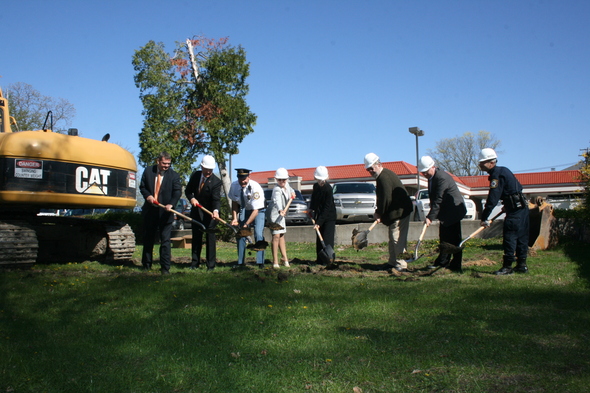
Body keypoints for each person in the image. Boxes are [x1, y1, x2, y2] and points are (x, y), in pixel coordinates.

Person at [479, 148, 529, 275]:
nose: (479, 164)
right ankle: (522, 265)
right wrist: (507, 205)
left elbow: (493, 198)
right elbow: (516, 189)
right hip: (521, 209)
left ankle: (507, 267)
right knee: (521, 237)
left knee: (510, 237)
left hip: (515, 212)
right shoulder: (504, 170)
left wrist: (484, 217)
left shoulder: (497, 175)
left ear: (491, 162)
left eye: (482, 162)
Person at [364, 153, 413, 272]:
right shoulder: (382, 176)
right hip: (395, 212)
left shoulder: (383, 177)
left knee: (397, 238)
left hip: (401, 212)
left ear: (378, 164)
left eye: (372, 168)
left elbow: (385, 198)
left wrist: (379, 213)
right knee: (392, 238)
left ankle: (401, 265)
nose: (370, 171)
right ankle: (392, 262)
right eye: (368, 169)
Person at [418, 156, 467, 272]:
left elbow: (438, 199)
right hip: (445, 212)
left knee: (454, 240)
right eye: (423, 172)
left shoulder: (441, 178)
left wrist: (430, 217)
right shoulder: (432, 177)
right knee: (444, 238)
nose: (425, 174)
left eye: (426, 171)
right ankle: (443, 262)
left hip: (454, 211)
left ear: (433, 167)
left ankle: (456, 266)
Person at [139, 151, 182, 275]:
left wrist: (171, 204)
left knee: (165, 240)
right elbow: (142, 187)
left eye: (168, 164)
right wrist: (148, 196)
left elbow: (177, 192)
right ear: (158, 161)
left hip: (165, 212)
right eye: (164, 163)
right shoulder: (148, 171)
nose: (166, 166)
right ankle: (146, 265)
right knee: (148, 239)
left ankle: (165, 268)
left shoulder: (174, 175)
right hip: (150, 210)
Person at [185, 155, 222, 271]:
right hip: (196, 213)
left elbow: (216, 199)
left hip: (210, 214)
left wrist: (216, 211)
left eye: (210, 170)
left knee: (210, 239)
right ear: (201, 167)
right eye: (206, 170)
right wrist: (192, 199)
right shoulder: (195, 175)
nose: (208, 172)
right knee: (196, 238)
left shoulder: (216, 182)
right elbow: (188, 191)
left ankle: (210, 265)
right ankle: (194, 263)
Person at [228, 168, 266, 268]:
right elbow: (234, 203)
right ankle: (240, 262)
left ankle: (260, 262)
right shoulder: (234, 186)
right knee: (241, 234)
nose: (243, 181)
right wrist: (235, 218)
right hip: (245, 209)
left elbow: (256, 211)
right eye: (240, 179)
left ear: (249, 177)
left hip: (258, 210)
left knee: (258, 233)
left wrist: (245, 224)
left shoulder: (255, 187)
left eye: (244, 178)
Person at [266, 168, 295, 268]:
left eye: (284, 179)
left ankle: (284, 258)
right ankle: (275, 262)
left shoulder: (287, 185)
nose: (282, 182)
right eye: (279, 180)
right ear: (276, 179)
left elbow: (291, 189)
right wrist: (280, 210)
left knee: (281, 235)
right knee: (276, 236)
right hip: (274, 214)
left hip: (282, 213)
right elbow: (277, 200)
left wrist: (293, 192)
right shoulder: (276, 189)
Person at [309, 166, 337, 264]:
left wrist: (319, 222)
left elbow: (327, 207)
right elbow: (314, 199)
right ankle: (320, 259)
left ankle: (328, 260)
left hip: (329, 217)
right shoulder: (315, 187)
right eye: (319, 180)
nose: (321, 182)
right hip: (319, 215)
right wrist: (311, 209)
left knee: (327, 238)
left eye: (323, 180)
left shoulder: (328, 189)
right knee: (319, 239)